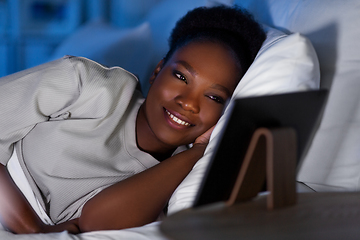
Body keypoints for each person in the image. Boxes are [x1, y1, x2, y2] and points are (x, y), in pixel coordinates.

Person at [0, 5, 266, 234]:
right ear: (157, 71)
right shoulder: (87, 84)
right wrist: (31, 229)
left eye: (215, 98)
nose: (188, 102)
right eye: (182, 77)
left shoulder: (187, 172)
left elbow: (95, 222)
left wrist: (195, 153)